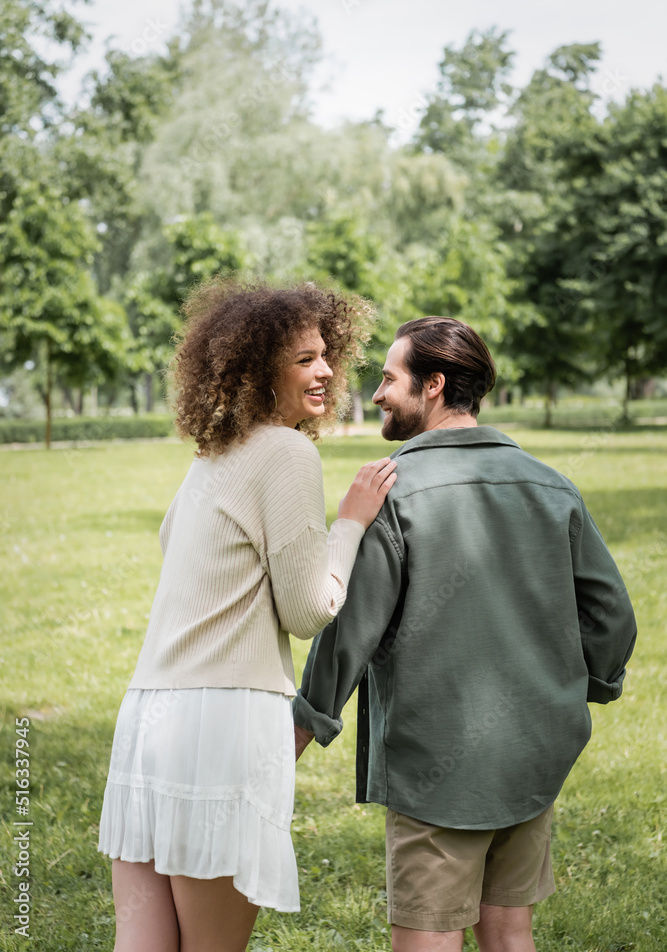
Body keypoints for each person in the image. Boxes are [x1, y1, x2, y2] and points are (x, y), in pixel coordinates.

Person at [293, 316, 637, 952]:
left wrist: (300, 729)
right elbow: (612, 615)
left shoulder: (391, 492)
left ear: (434, 385)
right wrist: (589, 685)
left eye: (389, 379)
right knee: (510, 936)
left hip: (436, 769)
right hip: (531, 753)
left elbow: (350, 631)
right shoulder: (550, 485)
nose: (376, 394)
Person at [98, 278, 397, 952]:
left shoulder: (212, 454)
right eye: (301, 360)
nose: (323, 371)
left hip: (148, 716)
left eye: (325, 355)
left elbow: (177, 545)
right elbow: (308, 609)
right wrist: (349, 525)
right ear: (258, 370)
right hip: (224, 725)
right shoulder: (287, 452)